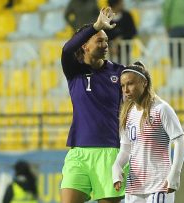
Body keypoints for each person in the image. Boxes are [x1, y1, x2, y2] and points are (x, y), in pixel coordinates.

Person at [60, 7, 128, 203]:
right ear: (85, 46)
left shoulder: (120, 72)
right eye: (99, 40)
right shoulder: (74, 72)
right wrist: (96, 26)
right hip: (78, 152)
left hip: (110, 152)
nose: (105, 45)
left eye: (106, 40)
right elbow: (67, 49)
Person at [112, 61, 184, 203]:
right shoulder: (127, 114)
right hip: (134, 187)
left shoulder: (161, 109)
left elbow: (179, 142)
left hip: (159, 185)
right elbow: (126, 150)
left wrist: (175, 174)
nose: (126, 90)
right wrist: (117, 166)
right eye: (122, 85)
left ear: (144, 83)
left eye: (130, 84)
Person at [162, 0, 184, 68]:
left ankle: (177, 72)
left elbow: (166, 9)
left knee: (175, 53)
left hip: (176, 28)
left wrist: (167, 25)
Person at [105, 0, 137, 64]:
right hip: (109, 54)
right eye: (121, 2)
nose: (123, 4)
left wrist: (121, 38)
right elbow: (104, 34)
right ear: (116, 4)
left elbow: (133, 31)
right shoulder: (105, 18)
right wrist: (110, 45)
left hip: (125, 52)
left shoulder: (127, 16)